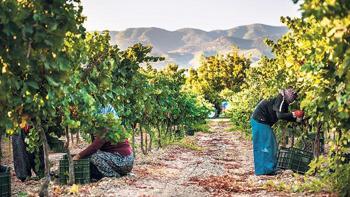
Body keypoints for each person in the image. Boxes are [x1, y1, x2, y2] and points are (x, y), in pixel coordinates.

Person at [250, 87, 304, 175]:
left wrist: (298, 120)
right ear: (289, 94)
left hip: (261, 121)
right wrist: (295, 114)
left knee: (267, 145)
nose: (294, 99)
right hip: (260, 120)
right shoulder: (281, 98)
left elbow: (285, 115)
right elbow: (280, 115)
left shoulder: (284, 101)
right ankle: (267, 170)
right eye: (294, 96)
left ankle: (265, 169)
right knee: (267, 145)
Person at [73, 105, 134, 180]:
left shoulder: (107, 127)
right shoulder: (98, 127)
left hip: (124, 160)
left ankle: (113, 175)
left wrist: (78, 156)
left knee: (94, 157)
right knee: (90, 158)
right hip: (120, 159)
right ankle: (112, 173)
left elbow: (94, 147)